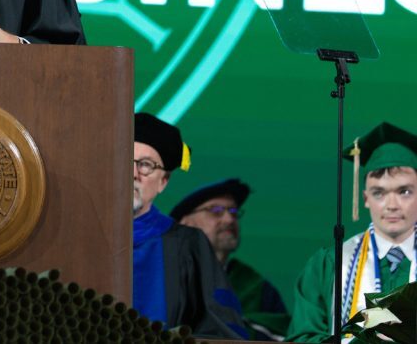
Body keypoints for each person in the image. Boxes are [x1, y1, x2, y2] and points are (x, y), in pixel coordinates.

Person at [286, 122, 417, 342]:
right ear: (365, 198)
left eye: (404, 192)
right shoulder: (330, 264)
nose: (391, 205)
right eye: (379, 193)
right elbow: (302, 337)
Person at [132, 112, 248, 339]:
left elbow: (221, 330)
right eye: (125, 161)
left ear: (163, 182)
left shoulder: (188, 245)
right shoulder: (82, 237)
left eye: (145, 165)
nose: (134, 174)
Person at [171, 178, 290, 340]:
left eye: (233, 212)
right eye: (215, 211)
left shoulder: (257, 288)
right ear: (185, 223)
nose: (229, 219)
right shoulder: (163, 275)